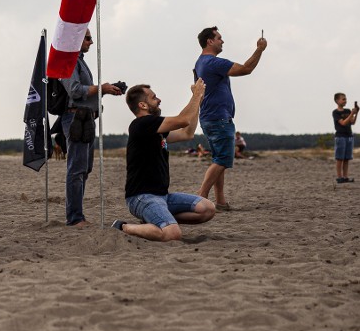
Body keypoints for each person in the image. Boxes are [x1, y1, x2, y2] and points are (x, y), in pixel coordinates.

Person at [112, 80, 215, 241]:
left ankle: (157, 220)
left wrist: (198, 101)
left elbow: (186, 133)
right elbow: (183, 119)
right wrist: (195, 95)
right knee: (172, 234)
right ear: (143, 105)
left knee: (207, 209)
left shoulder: (155, 130)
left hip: (162, 196)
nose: (159, 100)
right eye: (154, 98)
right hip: (142, 197)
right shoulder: (142, 124)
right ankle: (123, 227)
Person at [194, 27, 267, 210]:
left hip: (210, 117)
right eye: (219, 38)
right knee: (222, 160)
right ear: (209, 41)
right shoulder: (212, 62)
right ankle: (199, 198)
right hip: (218, 118)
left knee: (220, 159)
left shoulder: (200, 63)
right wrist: (259, 49)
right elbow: (246, 69)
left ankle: (220, 201)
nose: (222, 41)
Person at [59, 29, 124, 228]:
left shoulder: (79, 61)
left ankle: (77, 216)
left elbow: (85, 92)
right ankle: (75, 218)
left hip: (85, 118)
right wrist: (101, 88)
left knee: (84, 169)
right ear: (77, 38)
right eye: (87, 38)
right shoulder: (68, 61)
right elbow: (75, 91)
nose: (91, 42)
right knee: (76, 169)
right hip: (76, 118)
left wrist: (107, 89)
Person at [333, 93, 360, 184]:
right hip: (340, 136)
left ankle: (345, 177)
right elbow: (343, 123)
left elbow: (352, 122)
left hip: (349, 136)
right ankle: (339, 177)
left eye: (346, 99)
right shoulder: (335, 112)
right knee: (339, 158)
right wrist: (352, 113)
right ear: (337, 101)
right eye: (343, 99)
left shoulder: (348, 110)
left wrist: (356, 114)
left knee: (347, 158)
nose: (345, 101)